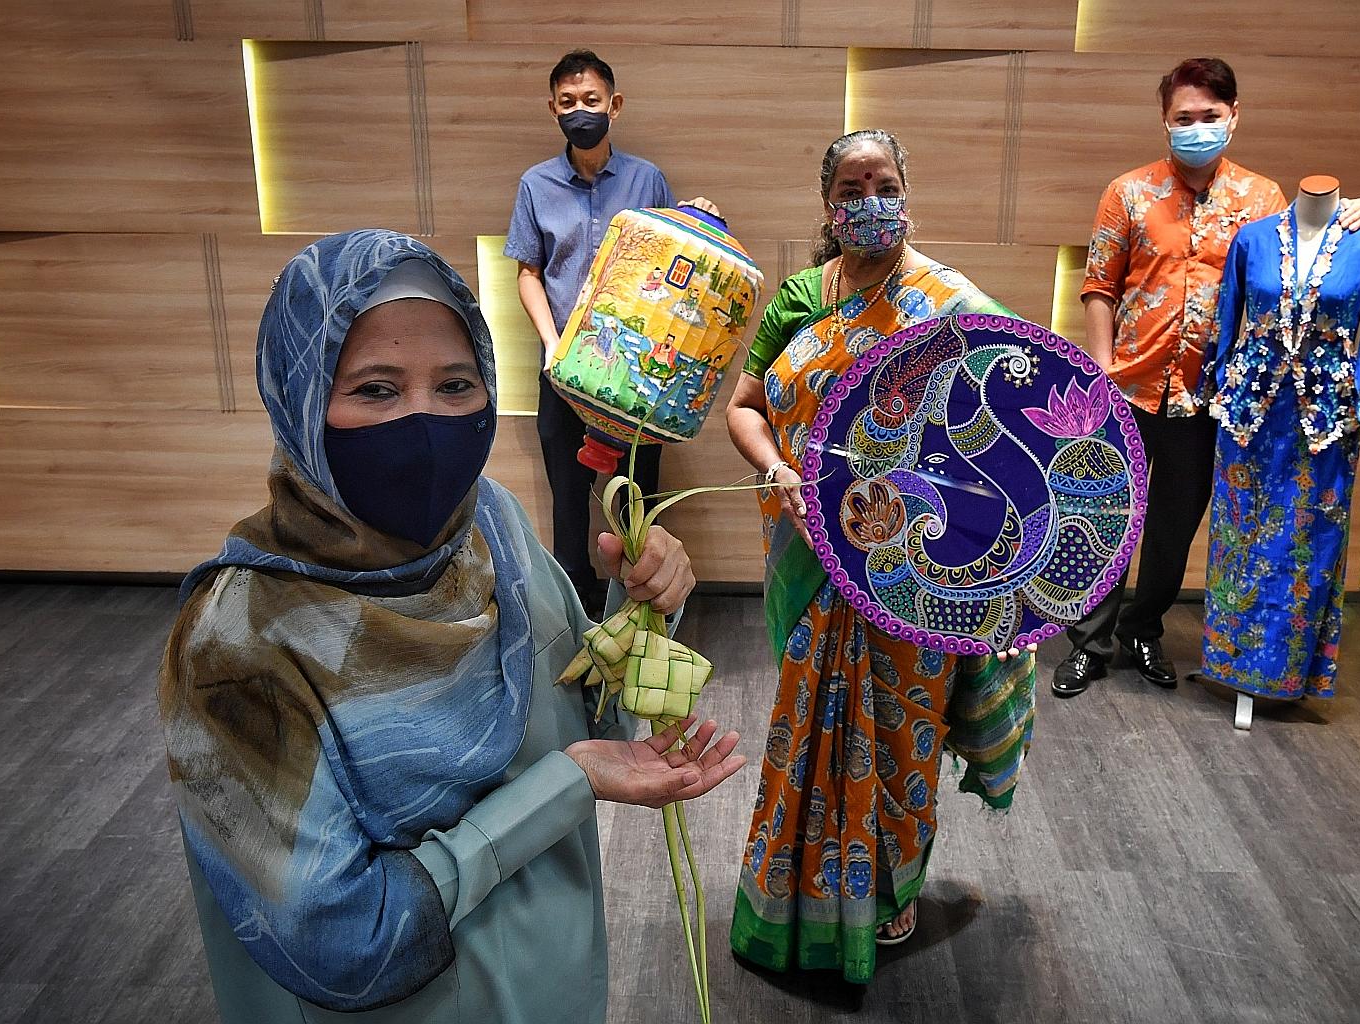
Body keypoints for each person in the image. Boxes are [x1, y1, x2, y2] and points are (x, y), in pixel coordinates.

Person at [157, 229, 745, 1023]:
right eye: (375, 389)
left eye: (456, 383)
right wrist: (565, 787)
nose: (425, 421)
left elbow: (598, 720)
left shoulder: (492, 532)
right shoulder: (241, 642)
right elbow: (344, 945)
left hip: (559, 984)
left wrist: (638, 603)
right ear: (299, 400)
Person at [724, 129, 1036, 984]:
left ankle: (892, 882)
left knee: (905, 727)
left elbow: (1021, 397)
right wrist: (776, 464)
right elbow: (745, 407)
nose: (871, 202)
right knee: (807, 720)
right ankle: (793, 891)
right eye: (853, 188)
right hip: (813, 548)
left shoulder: (948, 299)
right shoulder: (798, 298)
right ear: (830, 207)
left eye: (885, 183)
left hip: (915, 561)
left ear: (908, 190)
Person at [1053, 57, 1360, 698]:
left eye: (1210, 117)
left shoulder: (1263, 199)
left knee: (1175, 524)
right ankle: (1090, 642)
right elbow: (1099, 287)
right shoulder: (1127, 192)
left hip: (1213, 398)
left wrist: (1354, 214)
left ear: (1234, 117)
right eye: (1184, 118)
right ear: (1164, 121)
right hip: (1127, 388)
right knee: (1102, 518)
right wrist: (1097, 372)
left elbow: (1299, 263)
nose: (1196, 127)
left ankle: (1143, 628)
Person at [506, 48, 718, 610]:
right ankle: (575, 620)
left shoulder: (648, 179)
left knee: (636, 501)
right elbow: (528, 272)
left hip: (636, 376)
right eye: (568, 102)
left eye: (591, 101)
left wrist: (698, 213)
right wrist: (552, 345)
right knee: (569, 502)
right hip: (562, 368)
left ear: (614, 106)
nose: (581, 110)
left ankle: (636, 618)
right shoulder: (534, 185)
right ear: (553, 108)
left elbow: (677, 263)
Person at [1196, 178, 1360, 702]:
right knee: (1241, 536)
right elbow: (1227, 316)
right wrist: (1210, 385)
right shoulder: (1252, 239)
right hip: (1248, 414)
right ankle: (1230, 663)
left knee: (1310, 542)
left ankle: (1289, 672)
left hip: (1326, 419)